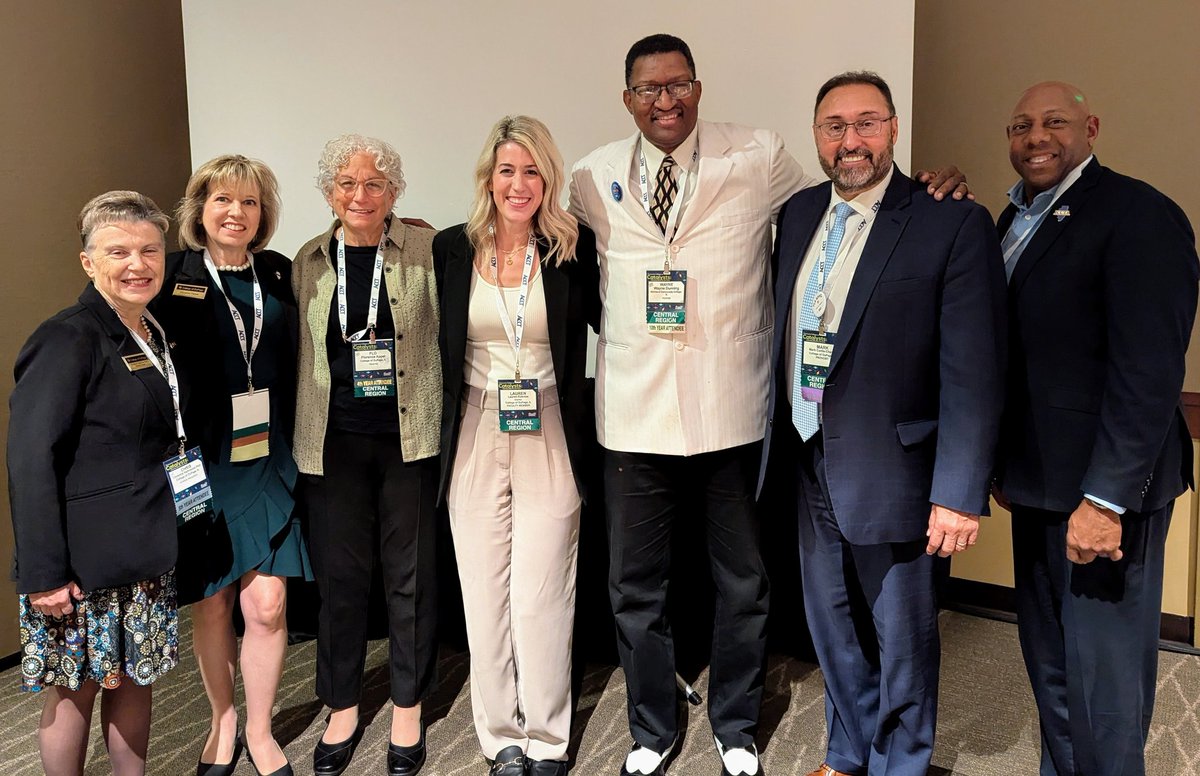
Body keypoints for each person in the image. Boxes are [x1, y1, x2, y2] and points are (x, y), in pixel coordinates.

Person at [567, 35, 967, 776]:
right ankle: (651, 729)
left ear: (698, 88)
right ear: (628, 99)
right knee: (633, 589)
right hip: (633, 416)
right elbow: (553, 246)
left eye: (678, 84)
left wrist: (930, 183)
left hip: (734, 412)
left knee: (744, 583)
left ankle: (736, 725)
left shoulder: (758, 155)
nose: (665, 100)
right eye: (649, 88)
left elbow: (852, 196)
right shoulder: (591, 175)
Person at [757, 71, 1006, 776]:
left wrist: (958, 492)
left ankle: (901, 763)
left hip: (898, 468)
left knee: (903, 640)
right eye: (834, 126)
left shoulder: (948, 220)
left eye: (867, 123)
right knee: (831, 625)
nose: (851, 140)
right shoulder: (799, 214)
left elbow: (974, 369)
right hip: (809, 458)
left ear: (894, 128)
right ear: (816, 136)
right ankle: (847, 752)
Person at [994, 81, 1198, 776]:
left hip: (1104, 496)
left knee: (1103, 685)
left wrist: (1106, 500)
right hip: (1038, 486)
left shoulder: (1137, 214)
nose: (1036, 136)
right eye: (1021, 125)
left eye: (1055, 121)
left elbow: (1149, 371)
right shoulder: (1015, 216)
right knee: (1052, 666)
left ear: (1092, 129)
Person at [432, 116, 600, 776]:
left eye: (532, 171)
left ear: (548, 180)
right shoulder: (451, 248)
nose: (519, 184)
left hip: (550, 426)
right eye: (507, 170)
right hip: (475, 427)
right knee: (483, 588)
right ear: (488, 177)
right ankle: (501, 733)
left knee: (543, 590)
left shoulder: (571, 249)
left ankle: (548, 737)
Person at [8, 191, 182, 776]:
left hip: (140, 550)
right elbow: (30, 459)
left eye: (150, 250)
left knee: (135, 678)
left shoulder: (149, 328)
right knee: (74, 690)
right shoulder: (67, 337)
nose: (138, 264)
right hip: (81, 567)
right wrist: (44, 574)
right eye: (118, 252)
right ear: (88, 262)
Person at [153, 154, 311, 776]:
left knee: (267, 605)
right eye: (222, 199)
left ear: (262, 213)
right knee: (213, 600)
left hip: (267, 456)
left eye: (249, 202)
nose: (236, 212)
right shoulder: (171, 276)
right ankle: (223, 720)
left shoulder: (278, 273)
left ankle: (262, 730)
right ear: (201, 209)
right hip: (200, 465)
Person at [292, 134, 441, 776]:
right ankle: (343, 705)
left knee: (411, 578)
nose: (361, 194)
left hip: (409, 440)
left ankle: (408, 704)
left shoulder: (427, 251)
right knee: (340, 581)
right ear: (329, 192)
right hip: (332, 444)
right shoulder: (306, 261)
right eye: (347, 183)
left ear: (394, 191)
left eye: (375, 183)